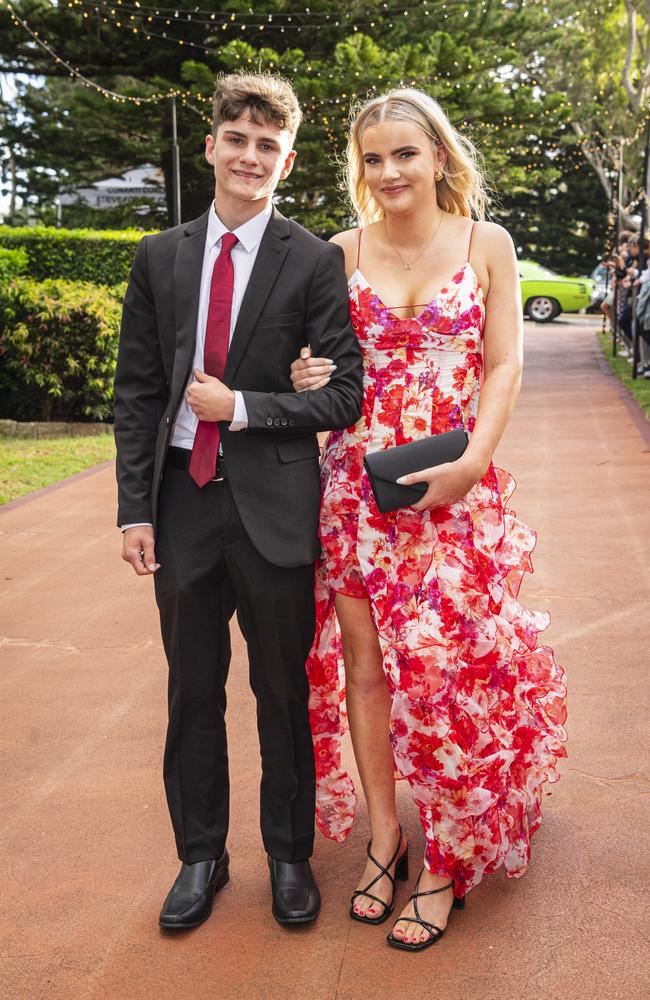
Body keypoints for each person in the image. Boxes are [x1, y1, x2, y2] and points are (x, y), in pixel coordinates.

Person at [290, 88, 567, 952]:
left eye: (404, 153)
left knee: (448, 674)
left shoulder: (488, 243)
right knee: (366, 673)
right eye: (373, 158)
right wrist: (306, 374)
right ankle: (385, 838)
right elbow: (321, 366)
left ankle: (447, 860)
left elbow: (505, 362)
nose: (389, 172)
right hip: (358, 489)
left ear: (439, 155)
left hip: (453, 484)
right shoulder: (338, 252)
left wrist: (475, 462)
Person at [113, 73, 363, 931]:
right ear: (213, 145)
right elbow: (139, 393)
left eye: (269, 145)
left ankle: (289, 856)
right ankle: (201, 857)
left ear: (285, 161)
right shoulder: (160, 256)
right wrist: (133, 510)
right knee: (191, 691)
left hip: (274, 505)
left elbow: (345, 395)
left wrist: (248, 408)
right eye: (238, 139)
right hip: (180, 501)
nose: (251, 156)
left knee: (281, 692)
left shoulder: (315, 258)